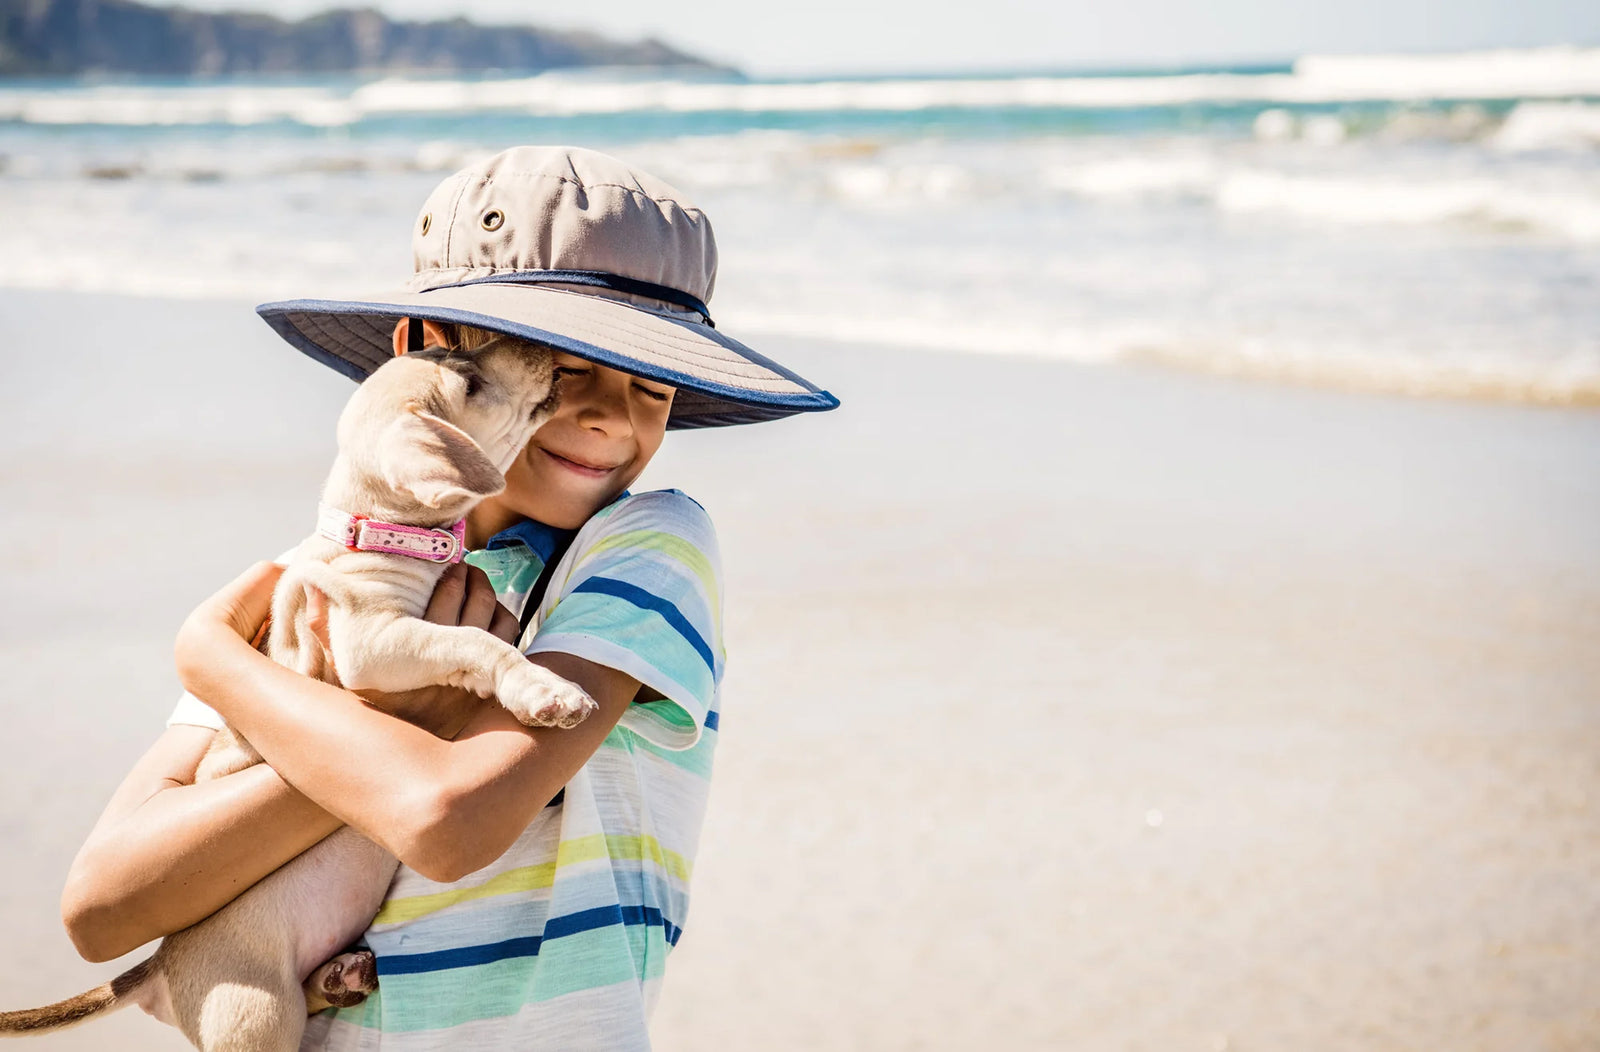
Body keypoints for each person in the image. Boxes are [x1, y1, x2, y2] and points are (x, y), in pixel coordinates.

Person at [57, 145, 837, 1049]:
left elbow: (449, 823)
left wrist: (219, 663)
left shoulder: (643, 549)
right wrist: (393, 712)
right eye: (566, 369)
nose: (609, 416)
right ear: (424, 351)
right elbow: (102, 909)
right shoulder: (319, 572)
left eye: (653, 386)